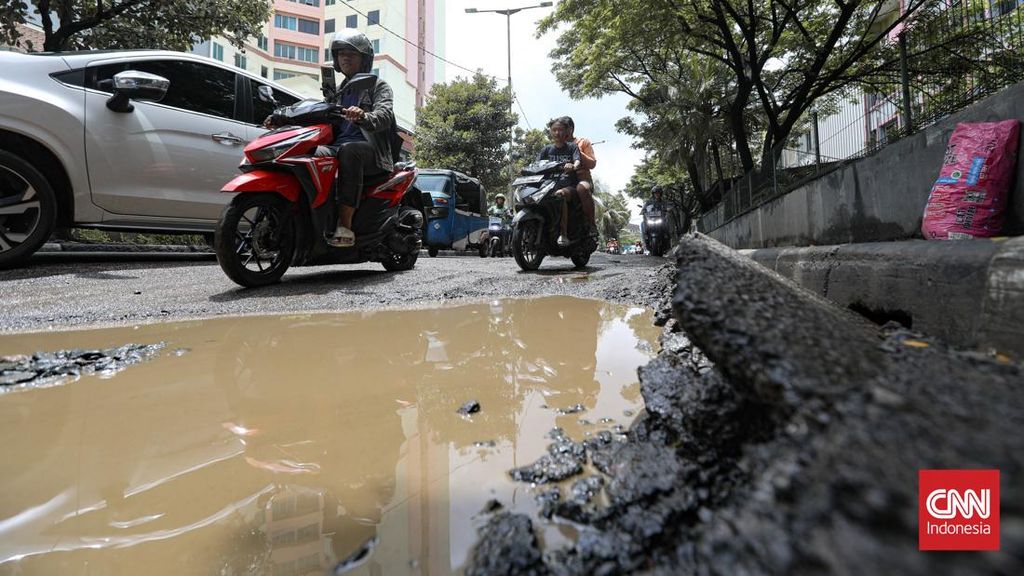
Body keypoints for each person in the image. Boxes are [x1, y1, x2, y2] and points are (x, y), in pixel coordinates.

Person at [265, 29, 395, 248]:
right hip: (336, 148)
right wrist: (282, 119)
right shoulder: (336, 92)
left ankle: (345, 226)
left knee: (349, 151)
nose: (345, 58)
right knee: (306, 155)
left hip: (370, 153)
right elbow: (314, 114)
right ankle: (307, 221)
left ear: (364, 59)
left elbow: (384, 116)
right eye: (341, 53)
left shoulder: (377, 86)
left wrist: (363, 116)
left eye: (351, 54)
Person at [537, 117, 581, 247]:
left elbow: (577, 160)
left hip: (569, 186)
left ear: (567, 131)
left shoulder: (572, 147)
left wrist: (573, 165)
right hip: (548, 186)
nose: (557, 133)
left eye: (560, 130)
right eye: (554, 130)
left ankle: (563, 234)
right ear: (550, 132)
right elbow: (537, 165)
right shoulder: (546, 150)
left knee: (560, 195)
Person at [563, 117, 598, 237]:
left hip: (583, 179)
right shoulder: (557, 147)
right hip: (564, 182)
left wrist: (576, 150)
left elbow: (592, 163)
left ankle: (591, 224)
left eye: (563, 129)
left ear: (571, 129)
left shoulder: (583, 142)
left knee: (581, 189)